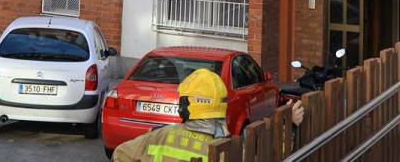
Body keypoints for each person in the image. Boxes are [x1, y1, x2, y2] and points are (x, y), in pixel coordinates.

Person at [111, 68, 303, 162]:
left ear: (185, 106)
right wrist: (290, 126)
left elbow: (119, 155)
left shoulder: (159, 137)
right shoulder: (229, 150)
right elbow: (271, 156)